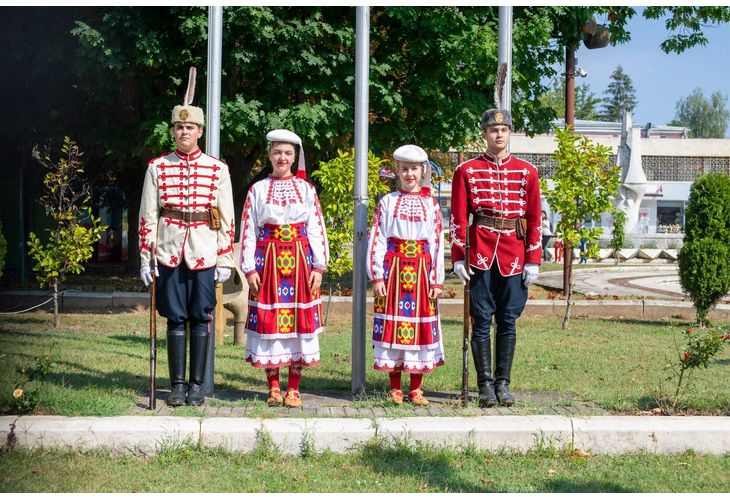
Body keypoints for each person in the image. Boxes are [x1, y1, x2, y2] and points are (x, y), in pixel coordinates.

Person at [138, 69, 235, 406]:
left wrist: (225, 259)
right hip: (167, 250)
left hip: (205, 250)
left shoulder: (217, 168)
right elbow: (148, 216)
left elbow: (226, 218)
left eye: (190, 127)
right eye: (179, 127)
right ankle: (176, 386)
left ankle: (197, 386)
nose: (184, 132)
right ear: (173, 130)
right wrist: (145, 258)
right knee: (175, 316)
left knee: (201, 314)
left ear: (200, 131)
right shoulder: (157, 167)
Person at [450, 106, 542, 408]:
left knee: (508, 320)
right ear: (485, 133)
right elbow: (459, 217)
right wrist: (459, 257)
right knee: (481, 320)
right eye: (493, 130)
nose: (498, 134)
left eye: (503, 130)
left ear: (510, 132)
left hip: (514, 253)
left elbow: (534, 217)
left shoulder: (527, 172)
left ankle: (503, 384)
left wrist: (534, 259)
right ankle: (484, 386)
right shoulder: (467, 171)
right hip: (480, 253)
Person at [239, 129, 329, 408]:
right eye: (277, 152)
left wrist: (319, 265)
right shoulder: (258, 189)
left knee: (297, 327)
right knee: (271, 324)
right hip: (268, 262)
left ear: (295, 157)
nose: (282, 157)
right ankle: (273, 387)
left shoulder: (306, 189)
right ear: (269, 155)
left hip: (300, 262)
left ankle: (294, 388)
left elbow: (316, 228)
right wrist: (250, 268)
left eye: (288, 153)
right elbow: (249, 229)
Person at [367, 145, 445, 406]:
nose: (409, 174)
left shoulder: (431, 204)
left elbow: (436, 242)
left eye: (414, 169)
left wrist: (437, 279)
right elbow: (377, 239)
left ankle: (416, 388)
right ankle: (394, 386)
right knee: (394, 327)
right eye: (404, 169)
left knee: (418, 329)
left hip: (421, 272)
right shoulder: (387, 202)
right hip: (394, 271)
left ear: (423, 171)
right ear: (397, 172)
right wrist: (377, 275)